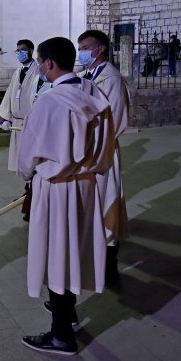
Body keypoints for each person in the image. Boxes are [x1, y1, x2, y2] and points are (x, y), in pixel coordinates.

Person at [18, 37, 116, 355]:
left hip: (57, 189)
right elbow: (107, 144)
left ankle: (61, 335)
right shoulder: (94, 93)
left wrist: (29, 175)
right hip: (87, 185)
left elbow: (27, 158)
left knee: (56, 255)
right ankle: (69, 312)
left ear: (48, 63)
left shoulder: (49, 102)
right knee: (74, 250)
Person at [77, 29, 131, 286]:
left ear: (99, 49)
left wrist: (95, 142)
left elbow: (117, 119)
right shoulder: (86, 76)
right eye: (80, 47)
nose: (82, 52)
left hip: (104, 151)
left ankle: (110, 268)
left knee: (106, 206)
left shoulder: (111, 79)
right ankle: (92, 257)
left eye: (85, 47)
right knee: (90, 207)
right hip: (86, 153)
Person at [0, 39, 41, 211]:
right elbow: (10, 93)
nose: (19, 53)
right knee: (21, 160)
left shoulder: (37, 71)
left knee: (31, 160)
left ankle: (32, 194)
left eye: (22, 50)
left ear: (30, 50)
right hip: (16, 122)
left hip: (29, 123)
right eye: (17, 51)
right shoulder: (18, 71)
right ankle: (28, 190)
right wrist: (6, 117)